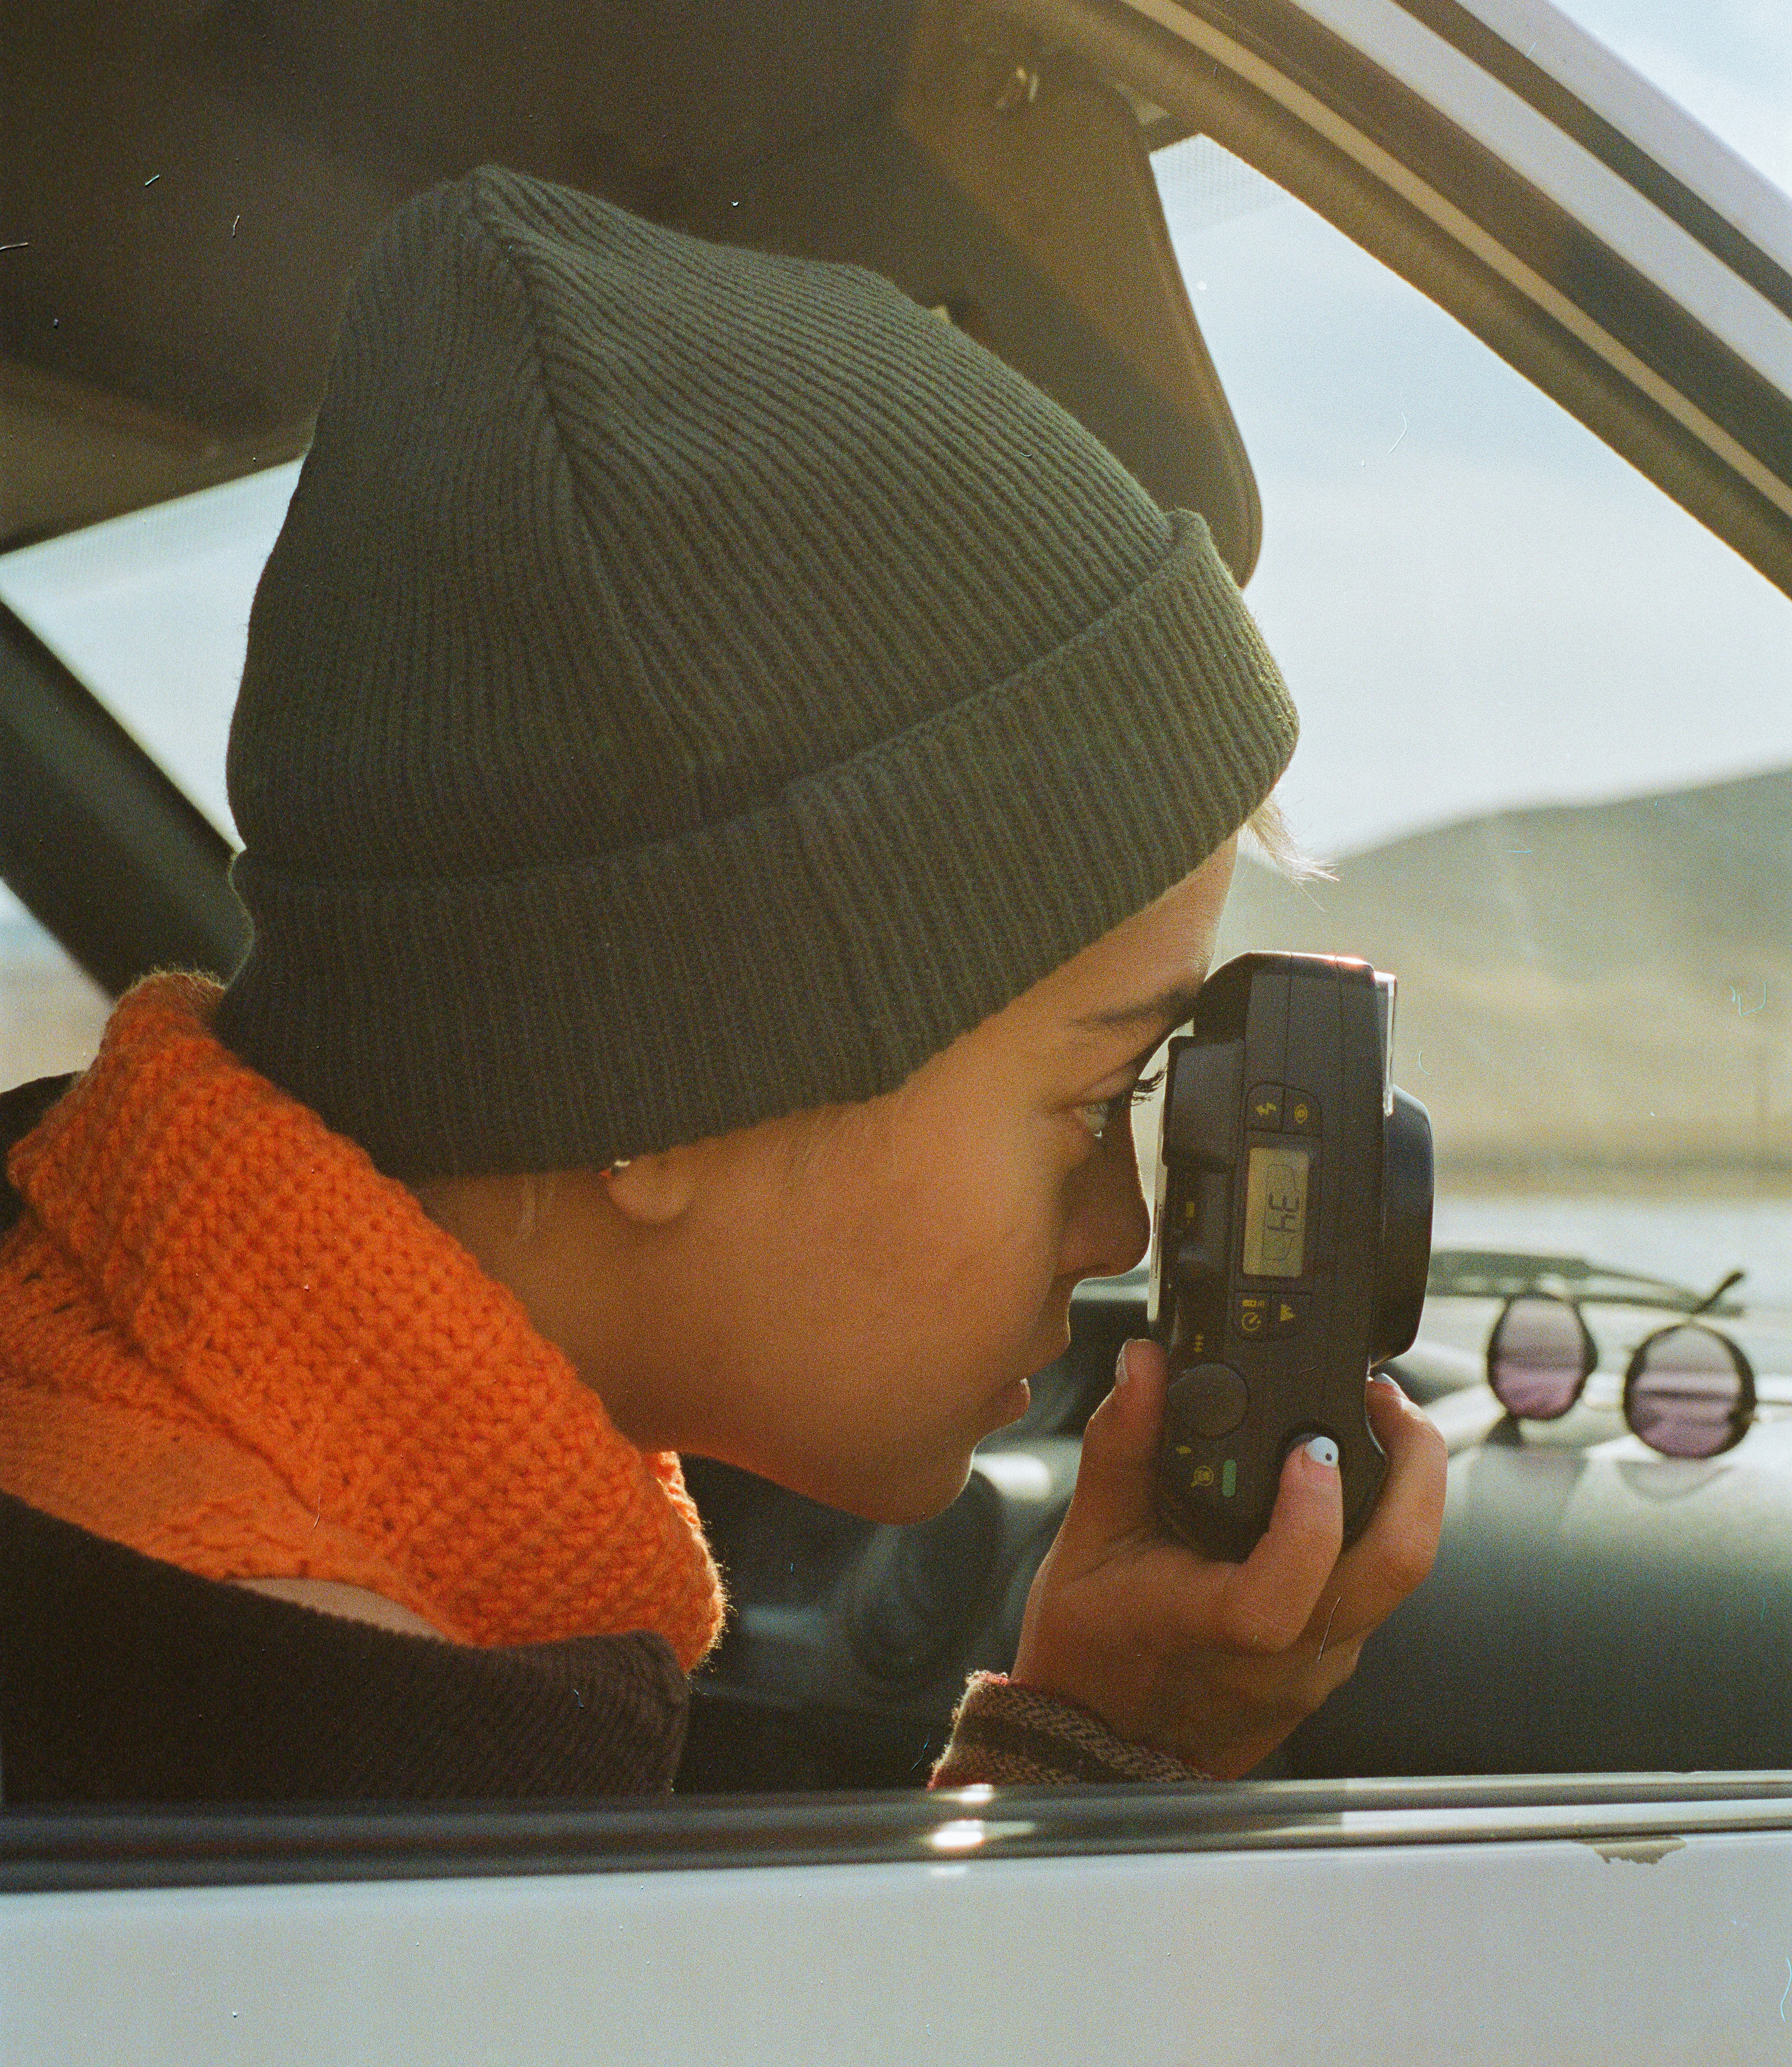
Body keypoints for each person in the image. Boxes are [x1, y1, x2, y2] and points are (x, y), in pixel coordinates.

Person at [0, 166, 1444, 1803]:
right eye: (1090, 1101)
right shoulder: (316, 1738)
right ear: (644, 1080)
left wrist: (1097, 1741)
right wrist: (1099, 1773)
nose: (1118, 1232)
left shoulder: (88, 1387)